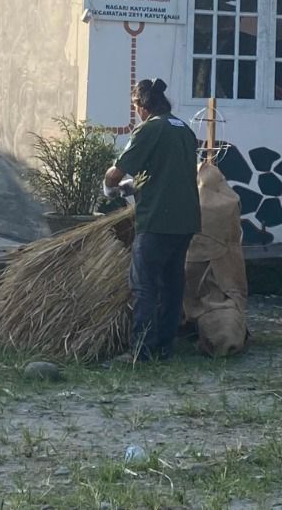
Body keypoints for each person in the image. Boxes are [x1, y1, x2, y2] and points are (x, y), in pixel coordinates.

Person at [105, 78, 201, 361]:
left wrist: (110, 187)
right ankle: (164, 348)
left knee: (144, 286)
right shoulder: (184, 129)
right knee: (172, 286)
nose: (137, 113)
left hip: (157, 220)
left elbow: (115, 173)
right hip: (185, 220)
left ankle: (140, 352)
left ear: (143, 105)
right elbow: (166, 173)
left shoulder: (149, 129)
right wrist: (135, 186)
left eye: (136, 106)